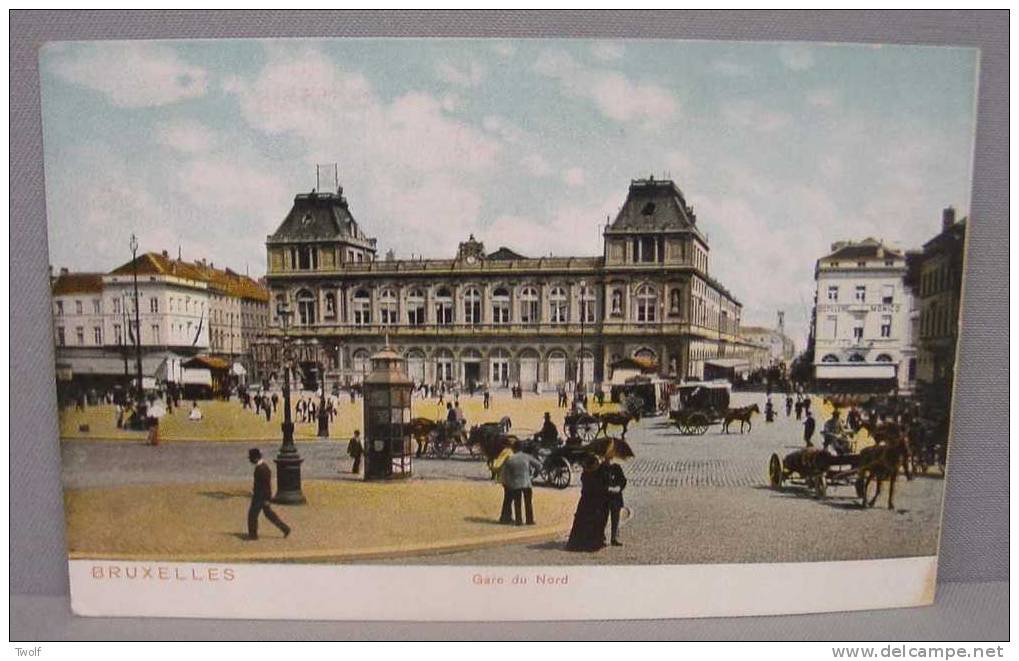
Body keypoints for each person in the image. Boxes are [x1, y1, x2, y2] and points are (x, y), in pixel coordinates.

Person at [567, 454, 609, 552]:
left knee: (581, 522)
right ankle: (593, 543)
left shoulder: (585, 475)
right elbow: (601, 486)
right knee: (595, 522)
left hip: (585, 502)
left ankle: (578, 542)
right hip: (594, 503)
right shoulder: (596, 475)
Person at [246, 448, 291, 540]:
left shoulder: (262, 469)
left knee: (252, 515)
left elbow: (266, 486)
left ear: (255, 458)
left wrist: (267, 499)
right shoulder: (262, 467)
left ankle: (253, 535)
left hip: (260, 497)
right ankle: (285, 528)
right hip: (261, 496)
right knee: (269, 514)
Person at [498, 442, 543, 525]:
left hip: (515, 485)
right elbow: (539, 466)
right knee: (528, 502)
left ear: (513, 449)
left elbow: (506, 474)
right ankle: (529, 520)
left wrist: (507, 484)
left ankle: (519, 521)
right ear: (522, 448)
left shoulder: (510, 459)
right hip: (527, 483)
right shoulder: (526, 457)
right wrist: (533, 473)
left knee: (517, 503)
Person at [605, 459, 627, 546]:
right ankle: (601, 536)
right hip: (604, 497)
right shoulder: (601, 468)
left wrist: (618, 487)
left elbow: (623, 480)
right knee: (603, 518)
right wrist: (606, 488)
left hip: (615, 497)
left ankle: (614, 537)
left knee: (615, 518)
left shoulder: (616, 467)